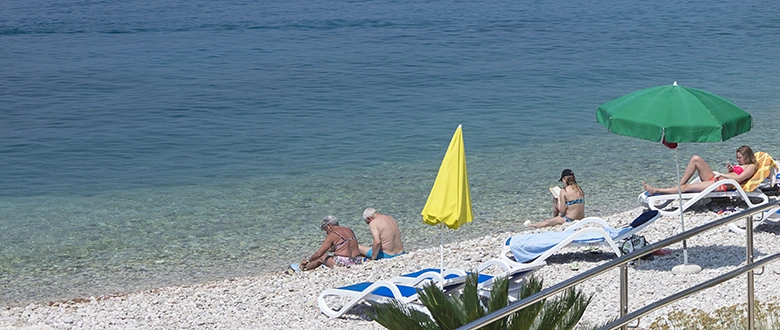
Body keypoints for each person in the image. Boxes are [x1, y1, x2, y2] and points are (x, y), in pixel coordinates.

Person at [642, 145, 757, 195]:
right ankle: (679, 186)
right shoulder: (741, 165)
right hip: (716, 180)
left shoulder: (750, 167)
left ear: (747, 156)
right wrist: (730, 171)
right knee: (695, 159)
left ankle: (657, 190)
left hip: (720, 186)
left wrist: (723, 174)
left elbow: (739, 178)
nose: (737, 159)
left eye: (739, 157)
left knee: (688, 188)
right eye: (737, 157)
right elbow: (734, 175)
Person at [296, 215, 364, 271]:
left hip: (344, 262)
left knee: (321, 258)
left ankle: (304, 268)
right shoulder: (349, 230)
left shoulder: (332, 234)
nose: (326, 232)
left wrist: (308, 260)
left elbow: (319, 253)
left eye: (325, 229)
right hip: (357, 260)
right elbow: (346, 246)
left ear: (329, 226)